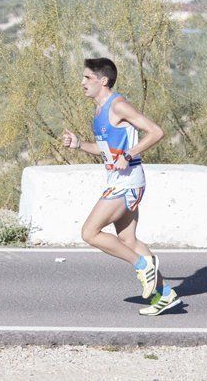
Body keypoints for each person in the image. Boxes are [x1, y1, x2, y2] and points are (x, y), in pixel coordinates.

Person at [62, 57, 181, 316]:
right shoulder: (99, 111)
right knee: (127, 239)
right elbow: (106, 152)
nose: (82, 82)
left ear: (103, 81)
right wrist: (79, 144)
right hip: (119, 179)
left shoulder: (118, 105)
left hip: (128, 180)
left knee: (89, 232)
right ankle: (166, 295)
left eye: (87, 78)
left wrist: (129, 154)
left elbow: (156, 132)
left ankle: (142, 265)